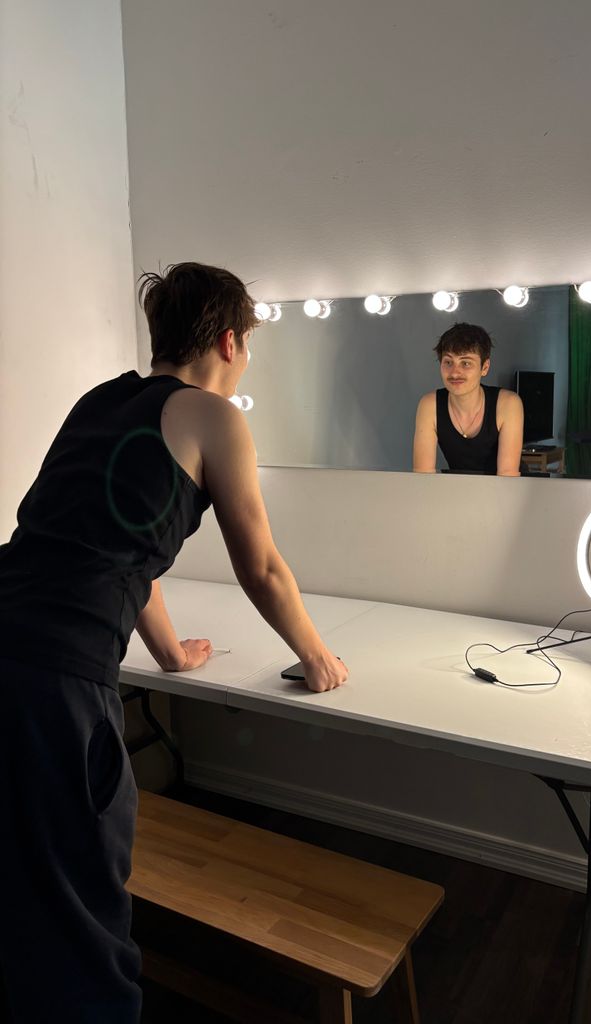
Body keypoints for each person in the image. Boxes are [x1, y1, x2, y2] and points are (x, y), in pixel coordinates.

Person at [0, 262, 348, 1022]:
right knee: (82, 921)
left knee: (18, 891)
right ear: (229, 341)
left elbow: (120, 542)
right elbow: (261, 568)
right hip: (54, 682)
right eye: (248, 342)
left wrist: (168, 654)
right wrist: (318, 657)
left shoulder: (101, 402)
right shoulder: (215, 416)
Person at [412, 322, 523, 475]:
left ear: (485, 367)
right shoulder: (429, 405)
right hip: (459, 487)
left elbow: (507, 476)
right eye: (448, 362)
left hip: (506, 487)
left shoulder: (508, 404)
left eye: (465, 363)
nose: (454, 373)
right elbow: (422, 475)